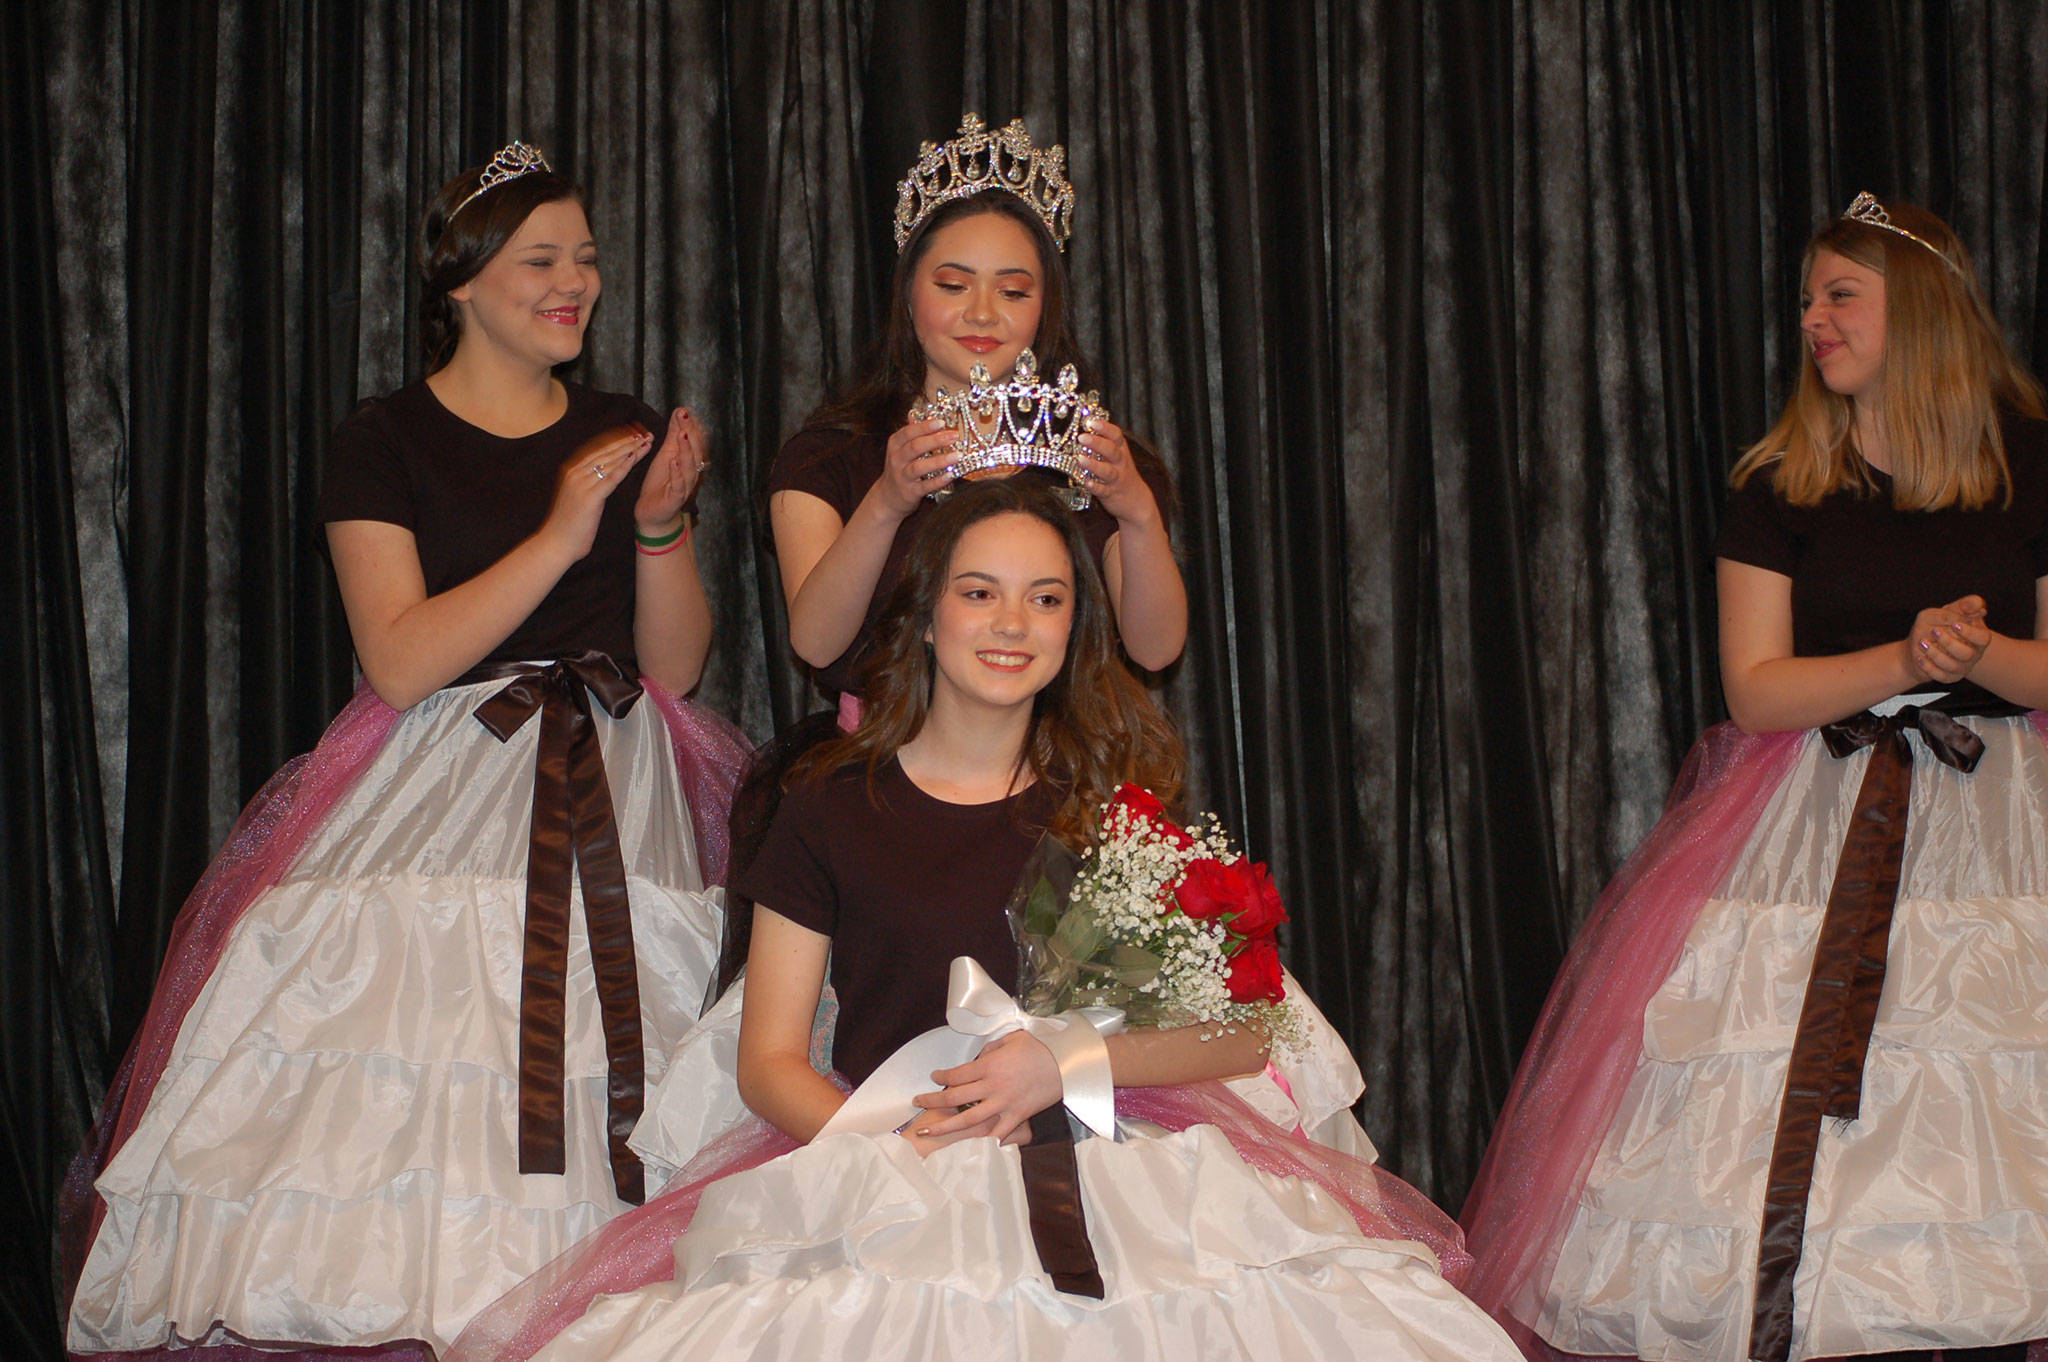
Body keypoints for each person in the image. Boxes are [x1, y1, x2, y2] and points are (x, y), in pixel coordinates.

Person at [444, 477, 1523, 1362]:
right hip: (885, 1160)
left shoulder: (1108, 808)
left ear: (1073, 627)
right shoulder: (827, 805)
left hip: (1112, 1166)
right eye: (980, 593)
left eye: (1046, 599)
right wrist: (886, 1145)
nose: (1012, 624)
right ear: (922, 617)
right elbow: (769, 1058)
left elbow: (1245, 1029)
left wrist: (1066, 1062)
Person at [62, 141, 749, 1358]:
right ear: (462, 280)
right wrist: (558, 530)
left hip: (614, 779)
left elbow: (679, 664)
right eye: (540, 260)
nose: (573, 284)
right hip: (449, 780)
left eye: (584, 259)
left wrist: (657, 526)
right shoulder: (382, 439)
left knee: (611, 1053)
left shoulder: (622, 427)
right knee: (433, 1073)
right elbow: (400, 657)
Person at [1459, 194, 2048, 1362]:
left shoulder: (2029, 461)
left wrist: (1975, 655)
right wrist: (1899, 657)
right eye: (1803, 301)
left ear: (1919, 309)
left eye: (1838, 295)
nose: (1812, 322)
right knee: (1782, 1123)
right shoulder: (1781, 480)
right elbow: (1755, 689)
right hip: (1810, 821)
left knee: (1975, 1102)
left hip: (2000, 830)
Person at [768, 113, 1188, 709]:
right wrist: (887, 502)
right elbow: (815, 642)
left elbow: (1155, 650)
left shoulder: (1096, 460)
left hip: (1056, 772)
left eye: (1014, 291)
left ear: (1047, 307)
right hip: (882, 777)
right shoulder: (829, 459)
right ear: (909, 295)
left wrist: (1139, 515)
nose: (984, 314)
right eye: (953, 286)